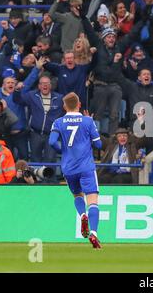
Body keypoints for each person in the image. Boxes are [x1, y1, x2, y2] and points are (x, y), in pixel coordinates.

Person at [49, 92, 102, 249]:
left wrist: (64, 150)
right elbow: (98, 145)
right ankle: (94, 233)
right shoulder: (88, 121)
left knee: (77, 195)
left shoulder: (58, 122)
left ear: (64, 106)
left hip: (69, 167)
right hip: (86, 167)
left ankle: (82, 215)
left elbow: (52, 142)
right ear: (79, 104)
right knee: (92, 200)